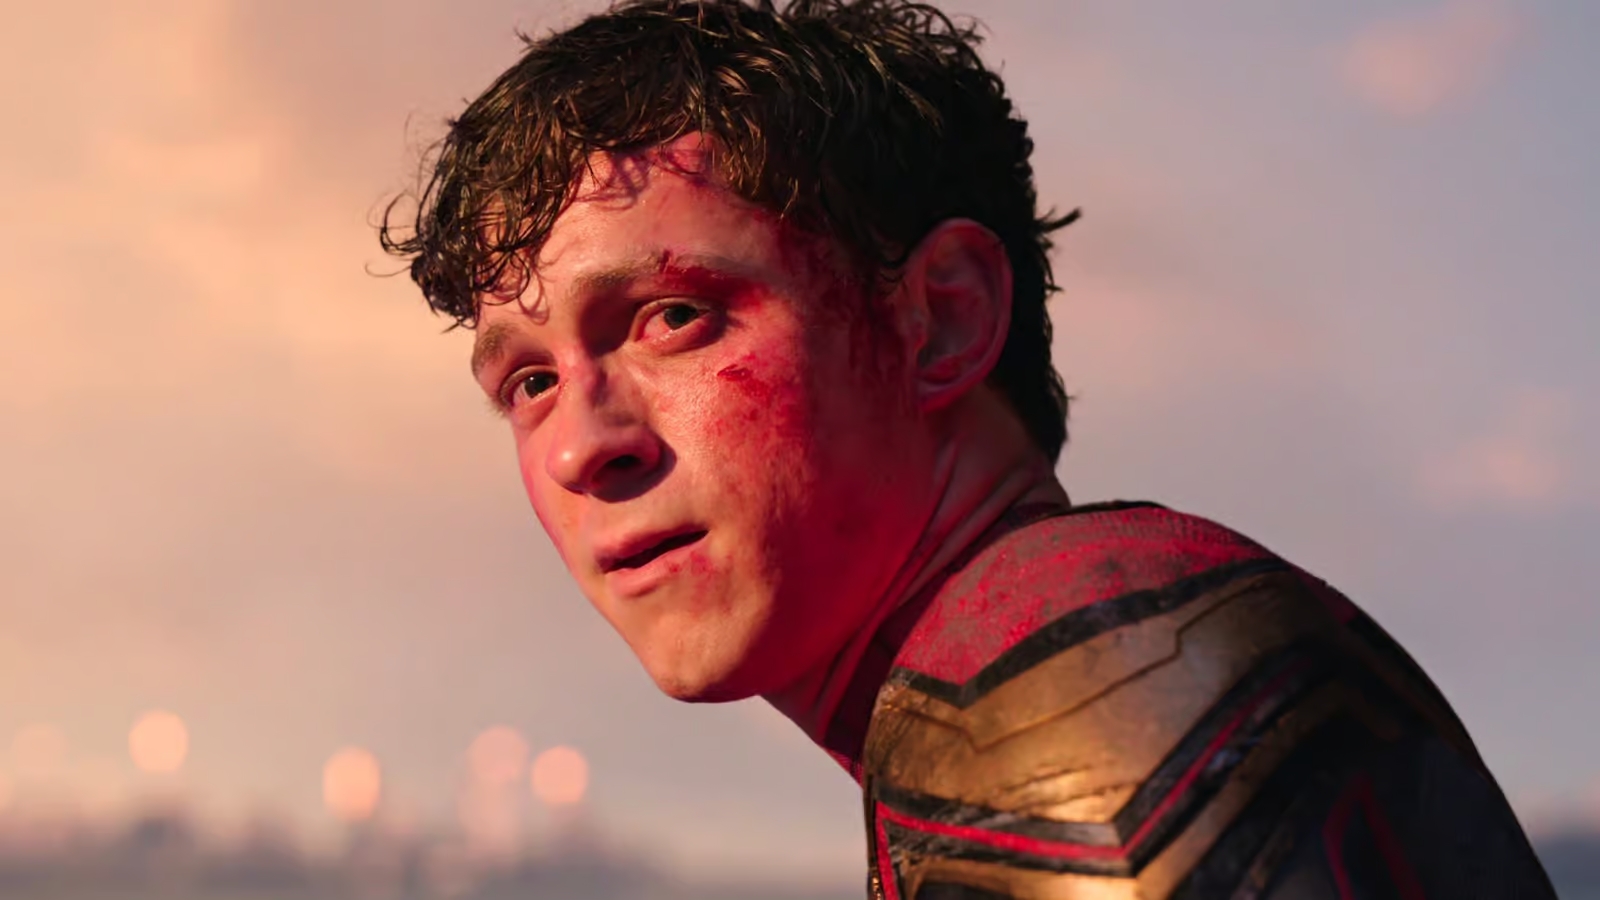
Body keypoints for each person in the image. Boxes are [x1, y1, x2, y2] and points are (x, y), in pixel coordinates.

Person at [378, 1, 1558, 896]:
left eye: (671, 317)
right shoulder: (991, 700)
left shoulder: (1076, 673)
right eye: (529, 383)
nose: (580, 448)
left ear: (939, 318)